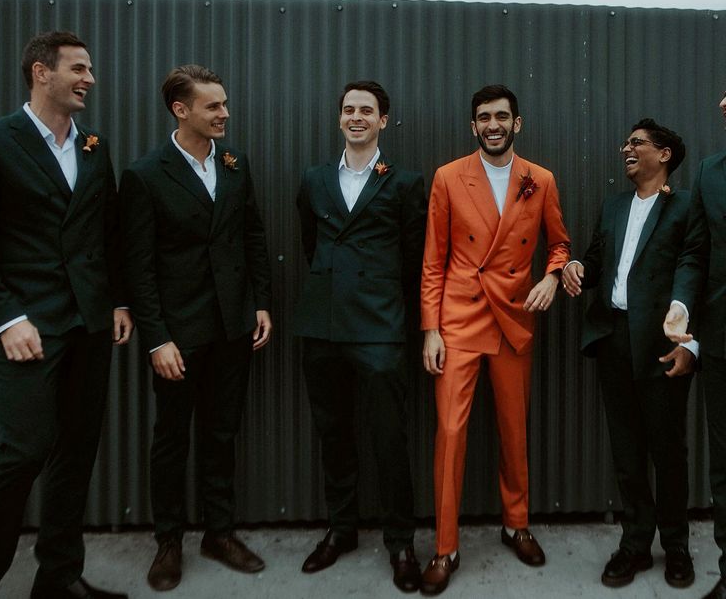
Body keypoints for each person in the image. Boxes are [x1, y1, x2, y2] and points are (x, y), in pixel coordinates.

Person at [0, 31, 133, 599]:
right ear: (41, 72)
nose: (89, 79)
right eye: (78, 69)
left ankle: (58, 576)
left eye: (89, 69)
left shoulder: (93, 147)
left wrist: (118, 301)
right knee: (23, 452)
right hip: (27, 330)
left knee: (77, 450)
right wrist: (8, 319)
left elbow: (104, 232)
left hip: (89, 326)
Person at [119, 65, 272, 592]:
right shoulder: (145, 175)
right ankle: (168, 541)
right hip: (178, 336)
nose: (225, 113)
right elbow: (136, 265)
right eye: (213, 106)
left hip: (232, 326)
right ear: (181, 111)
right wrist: (157, 337)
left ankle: (219, 533)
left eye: (225, 103)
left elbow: (252, 235)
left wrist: (260, 304)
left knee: (221, 432)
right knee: (171, 439)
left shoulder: (234, 164)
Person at [420, 84, 570, 595]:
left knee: (513, 429)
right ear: (473, 126)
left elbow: (560, 243)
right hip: (459, 319)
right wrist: (431, 330)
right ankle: (445, 547)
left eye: (502, 116)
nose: (493, 124)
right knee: (450, 435)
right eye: (484, 117)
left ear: (517, 123)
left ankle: (516, 524)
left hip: (513, 317)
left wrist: (552, 276)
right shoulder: (447, 177)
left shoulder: (541, 180)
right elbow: (433, 259)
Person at [294, 80, 426, 593]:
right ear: (339, 118)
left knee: (389, 438)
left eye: (366, 110)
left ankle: (400, 542)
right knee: (334, 433)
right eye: (348, 109)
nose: (356, 117)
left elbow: (414, 258)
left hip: (379, 328)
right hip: (322, 327)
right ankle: (341, 530)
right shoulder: (314, 179)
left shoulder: (405, 182)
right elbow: (311, 242)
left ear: (383, 120)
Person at [562, 119, 695, 589]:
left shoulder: (683, 209)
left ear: (664, 155)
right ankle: (635, 544)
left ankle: (676, 546)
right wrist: (578, 265)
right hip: (614, 339)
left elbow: (692, 271)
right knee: (626, 451)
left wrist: (689, 342)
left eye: (637, 143)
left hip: (662, 348)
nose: (626, 149)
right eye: (626, 143)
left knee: (667, 450)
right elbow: (598, 258)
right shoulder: (614, 206)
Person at [664, 91, 726, 599]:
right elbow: (696, 251)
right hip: (723, 345)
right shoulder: (710, 172)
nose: (723, 103)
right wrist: (682, 304)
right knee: (725, 469)